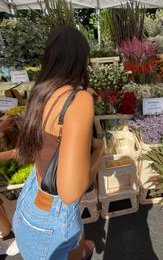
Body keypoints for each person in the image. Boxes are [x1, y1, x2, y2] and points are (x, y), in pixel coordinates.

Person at [0, 26, 104, 259]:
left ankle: (79, 247)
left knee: (73, 242)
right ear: (81, 60)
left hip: (30, 200)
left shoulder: (39, 93)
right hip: (52, 216)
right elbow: (70, 194)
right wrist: (98, 152)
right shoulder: (79, 101)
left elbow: (34, 149)